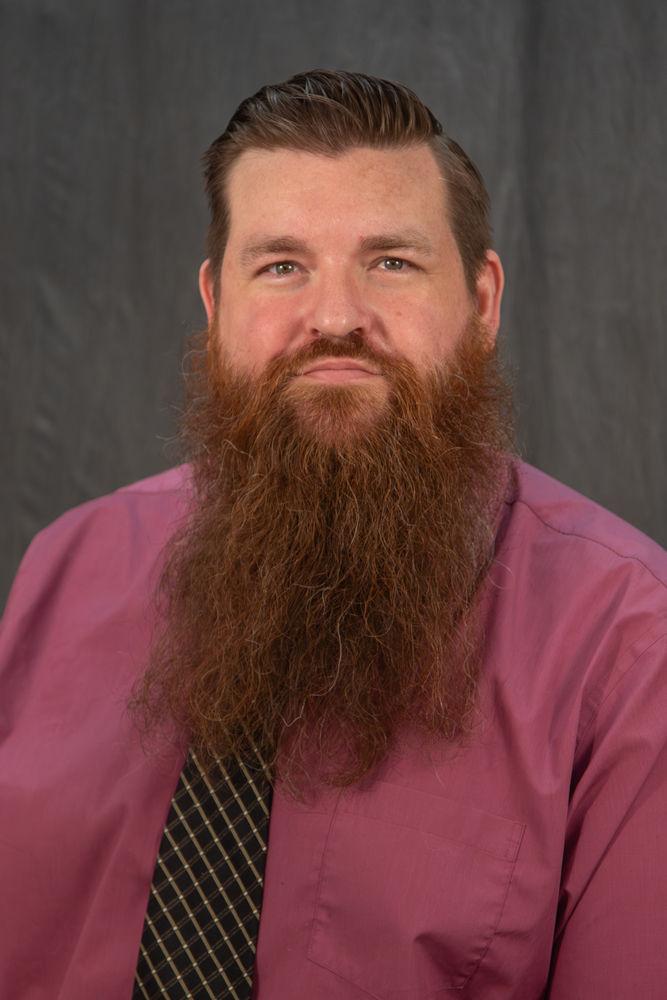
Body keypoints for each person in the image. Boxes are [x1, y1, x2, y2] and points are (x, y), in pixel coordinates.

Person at [1, 69, 666, 1000]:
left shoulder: (631, 648)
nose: (335, 317)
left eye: (390, 261)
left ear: (482, 303)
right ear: (215, 304)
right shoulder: (64, 567)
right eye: (281, 266)